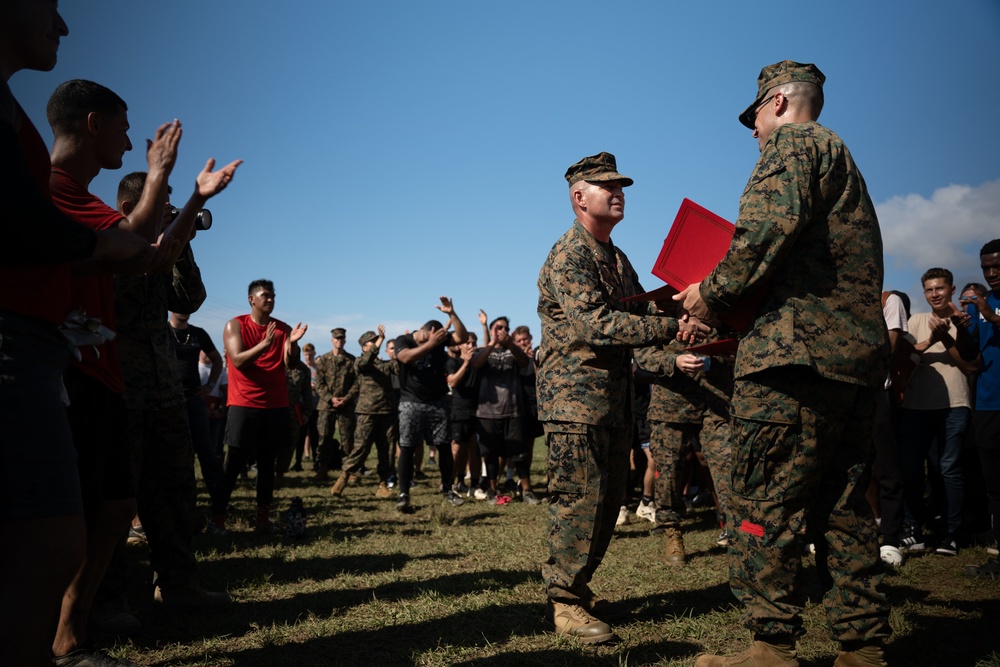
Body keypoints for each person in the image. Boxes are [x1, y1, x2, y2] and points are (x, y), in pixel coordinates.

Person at [675, 61, 892, 666]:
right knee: (844, 507)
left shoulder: (792, 145)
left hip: (792, 364)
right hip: (849, 364)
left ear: (776, 103)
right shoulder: (844, 160)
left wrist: (707, 295)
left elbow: (763, 234)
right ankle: (862, 647)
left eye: (754, 120)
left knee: (762, 504)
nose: (753, 134)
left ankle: (770, 647)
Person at [45, 78, 236, 662]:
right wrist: (162, 179)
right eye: (124, 128)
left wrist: (194, 206)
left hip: (152, 385)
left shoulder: (105, 215)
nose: (131, 140)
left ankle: (174, 585)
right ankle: (96, 612)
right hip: (100, 380)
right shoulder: (71, 201)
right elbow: (135, 246)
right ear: (94, 122)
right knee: (99, 508)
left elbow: (166, 270)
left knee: (150, 495)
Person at [0, 4, 150, 664]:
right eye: (49, 7)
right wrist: (104, 243)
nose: (61, 25)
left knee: (75, 527)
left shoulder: (12, 116)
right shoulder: (61, 183)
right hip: (35, 350)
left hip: (45, 350)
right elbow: (121, 245)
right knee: (50, 538)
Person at [537, 151, 706, 644]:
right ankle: (564, 602)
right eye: (605, 185)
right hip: (574, 402)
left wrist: (680, 326)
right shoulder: (570, 254)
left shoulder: (616, 257)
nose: (618, 192)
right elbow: (599, 325)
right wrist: (675, 323)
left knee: (609, 502)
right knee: (577, 501)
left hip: (610, 400)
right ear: (578, 196)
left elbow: (639, 329)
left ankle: (578, 586)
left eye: (621, 185)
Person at [113, 172, 236, 616]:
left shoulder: (163, 250)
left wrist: (181, 240)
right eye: (164, 203)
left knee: (176, 496)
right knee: (117, 503)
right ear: (131, 208)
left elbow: (190, 298)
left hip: (165, 394)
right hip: (120, 394)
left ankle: (179, 585)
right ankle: (114, 600)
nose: (172, 210)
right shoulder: (107, 245)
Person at [212, 279, 307, 533]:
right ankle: (217, 520)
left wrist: (294, 343)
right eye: (265, 295)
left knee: (267, 464)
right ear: (251, 299)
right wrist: (264, 345)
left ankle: (262, 521)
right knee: (234, 464)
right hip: (244, 403)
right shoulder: (236, 325)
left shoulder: (283, 329)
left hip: (275, 405)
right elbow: (238, 361)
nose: (270, 299)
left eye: (273, 295)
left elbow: (291, 363)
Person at [897, 268, 979, 557]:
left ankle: (951, 534)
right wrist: (933, 338)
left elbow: (972, 365)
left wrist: (947, 337)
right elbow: (906, 360)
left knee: (948, 470)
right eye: (929, 290)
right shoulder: (917, 321)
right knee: (910, 470)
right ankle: (913, 529)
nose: (935, 294)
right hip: (916, 407)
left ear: (952, 290)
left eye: (940, 289)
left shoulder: (964, 322)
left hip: (954, 405)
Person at [393, 297, 470, 512]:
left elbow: (462, 337)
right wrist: (431, 344)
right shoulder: (404, 340)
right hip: (411, 402)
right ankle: (403, 494)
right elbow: (406, 358)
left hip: (437, 401)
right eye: (426, 337)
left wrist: (452, 314)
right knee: (407, 447)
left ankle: (447, 489)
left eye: (434, 339)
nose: (428, 341)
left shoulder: (439, 340)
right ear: (421, 330)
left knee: (444, 446)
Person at [963, 240, 1000, 577]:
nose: (991, 274)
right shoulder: (979, 307)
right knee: (995, 486)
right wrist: (958, 328)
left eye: (997, 267)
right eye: (986, 267)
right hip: (987, 404)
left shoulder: (989, 308)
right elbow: (969, 357)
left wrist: (993, 316)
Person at [472, 315, 536, 504]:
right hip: (487, 412)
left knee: (520, 453)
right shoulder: (484, 351)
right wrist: (492, 343)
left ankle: (527, 490)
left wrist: (510, 344)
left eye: (505, 328)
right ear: (491, 330)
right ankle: (492, 490)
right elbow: (476, 364)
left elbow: (524, 362)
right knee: (490, 454)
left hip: (513, 409)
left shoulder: (513, 351)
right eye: (497, 327)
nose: (501, 331)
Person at [332, 325, 399, 498]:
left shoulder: (384, 365)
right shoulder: (360, 362)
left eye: (377, 340)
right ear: (364, 347)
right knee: (360, 448)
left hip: (387, 413)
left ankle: (383, 484)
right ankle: (344, 477)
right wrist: (381, 340)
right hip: (367, 413)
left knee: (388, 451)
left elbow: (399, 368)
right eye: (373, 341)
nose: (376, 343)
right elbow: (364, 365)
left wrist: (400, 350)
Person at [170, 310, 225, 502]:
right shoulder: (161, 331)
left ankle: (219, 502)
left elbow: (218, 360)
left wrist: (210, 385)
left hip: (194, 399)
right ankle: (181, 502)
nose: (183, 310)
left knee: (206, 451)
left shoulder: (198, 333)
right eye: (178, 306)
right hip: (168, 402)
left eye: (186, 306)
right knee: (174, 454)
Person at [313, 327, 357, 480]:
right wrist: (330, 398)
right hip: (327, 405)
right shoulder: (324, 360)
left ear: (345, 340)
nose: (339, 341)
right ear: (332, 340)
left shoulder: (351, 360)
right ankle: (322, 469)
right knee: (324, 438)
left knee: (348, 439)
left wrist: (347, 398)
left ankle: (348, 471)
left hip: (346, 405)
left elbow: (357, 383)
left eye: (342, 338)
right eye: (336, 338)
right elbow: (319, 383)